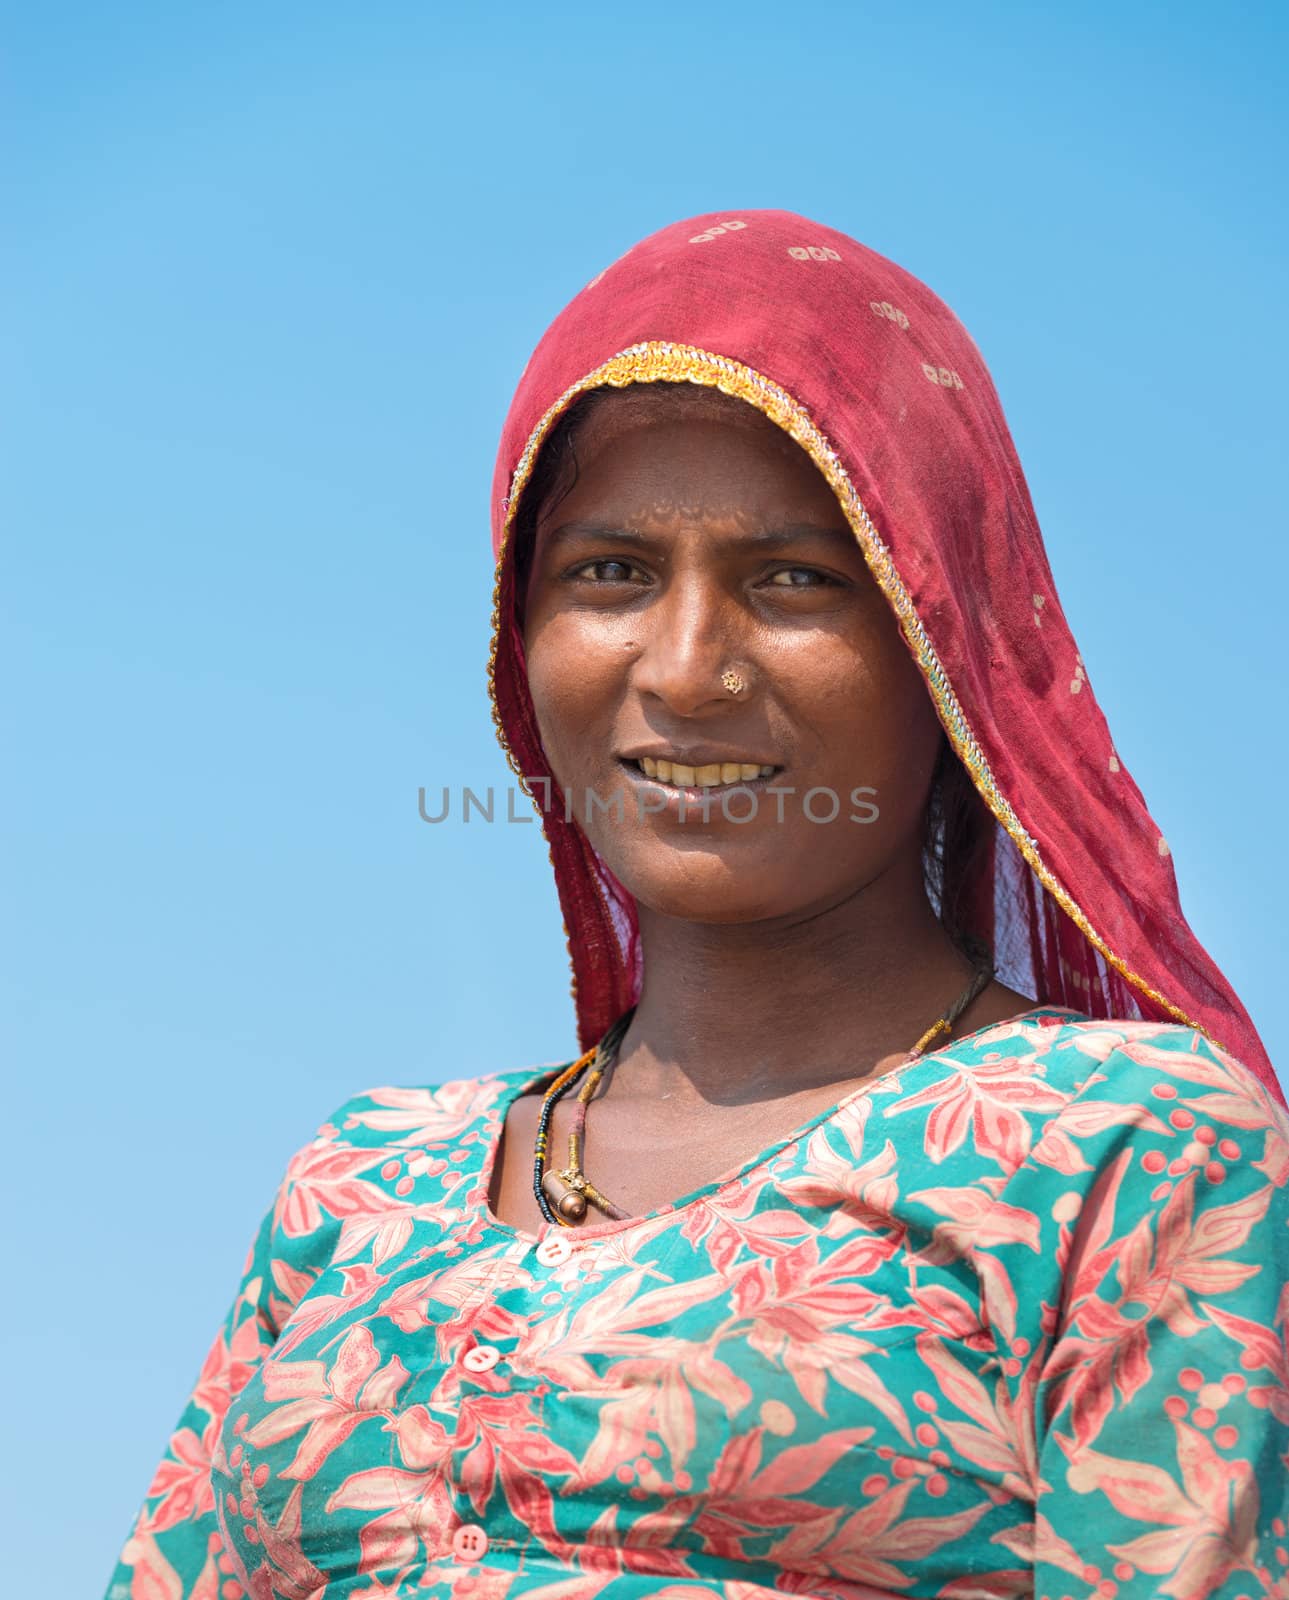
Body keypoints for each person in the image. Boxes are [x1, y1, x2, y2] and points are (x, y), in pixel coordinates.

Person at [106, 210, 1289, 1600]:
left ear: (942, 643)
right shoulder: (358, 1183)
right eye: (607, 574)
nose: (684, 670)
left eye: (791, 580)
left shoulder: (1122, 1144)